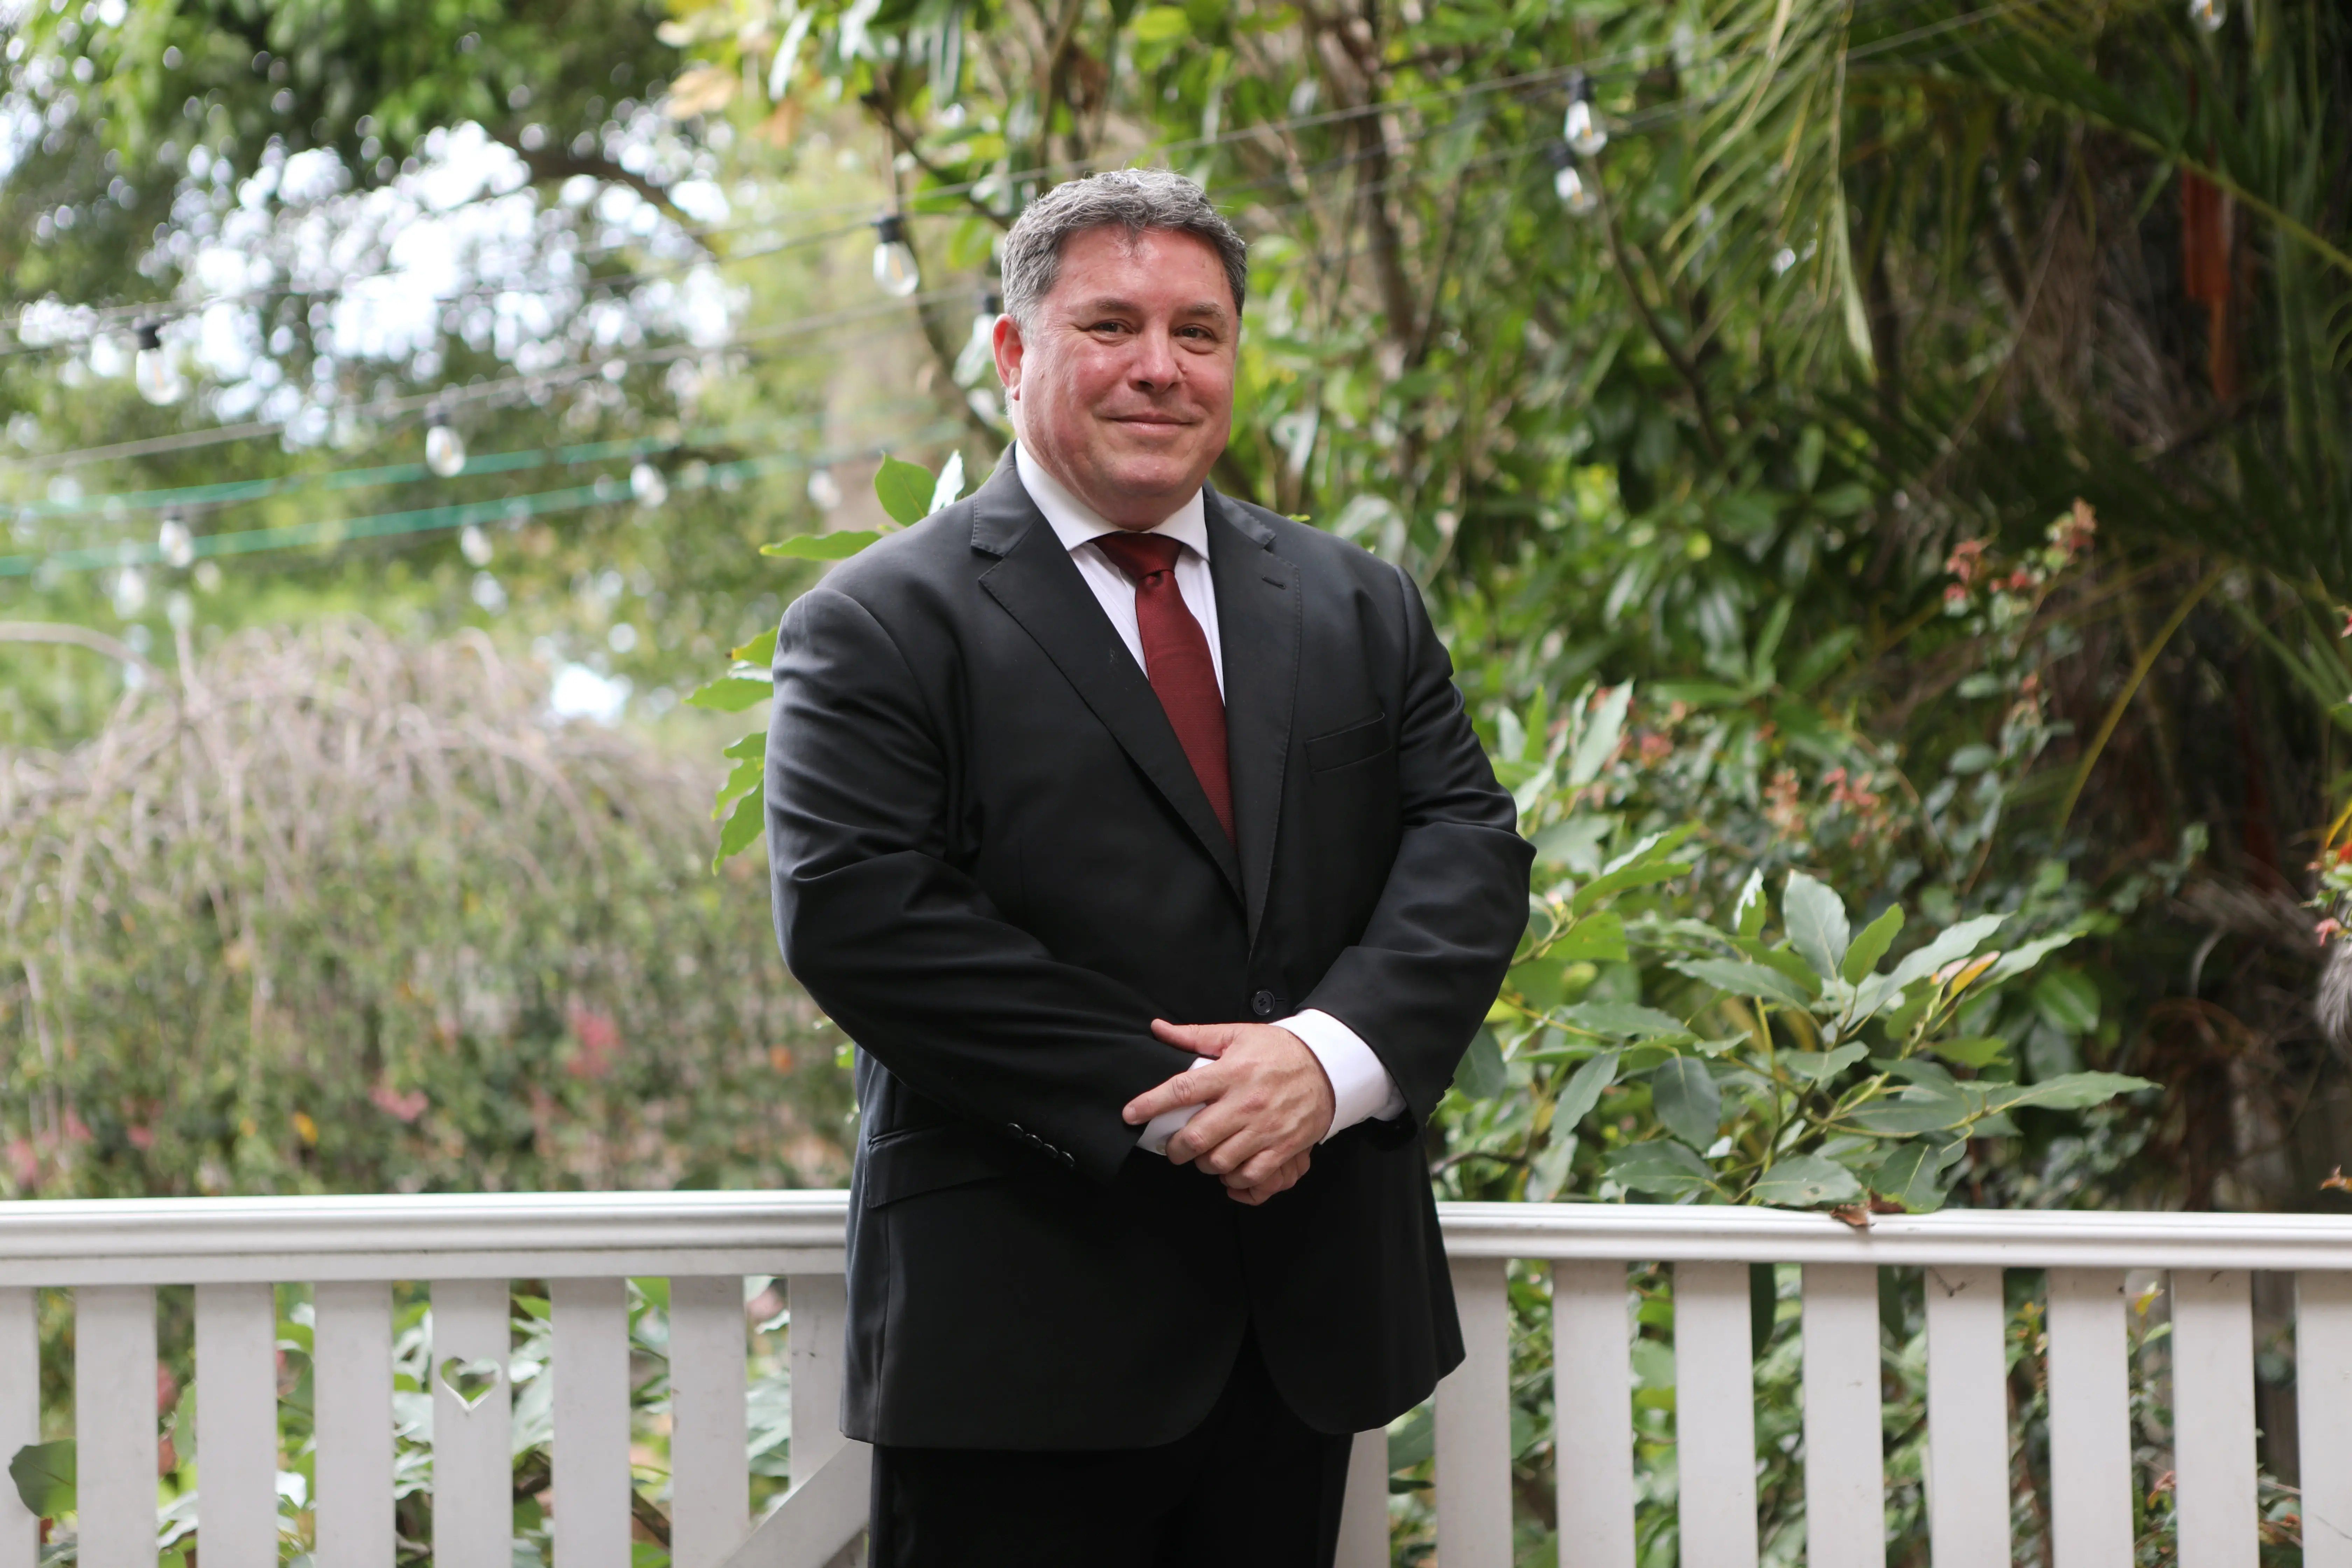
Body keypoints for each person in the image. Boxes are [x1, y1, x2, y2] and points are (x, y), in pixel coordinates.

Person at [764, 168, 1531, 1567]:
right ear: (1012, 352)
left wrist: (1327, 1061)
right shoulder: (875, 622)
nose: (1160, 370)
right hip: (1019, 1335)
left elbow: (1468, 842)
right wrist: (1199, 1105)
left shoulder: (1358, 600)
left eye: (1199, 332)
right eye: (1111, 325)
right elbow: (864, 917)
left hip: (1303, 1320)